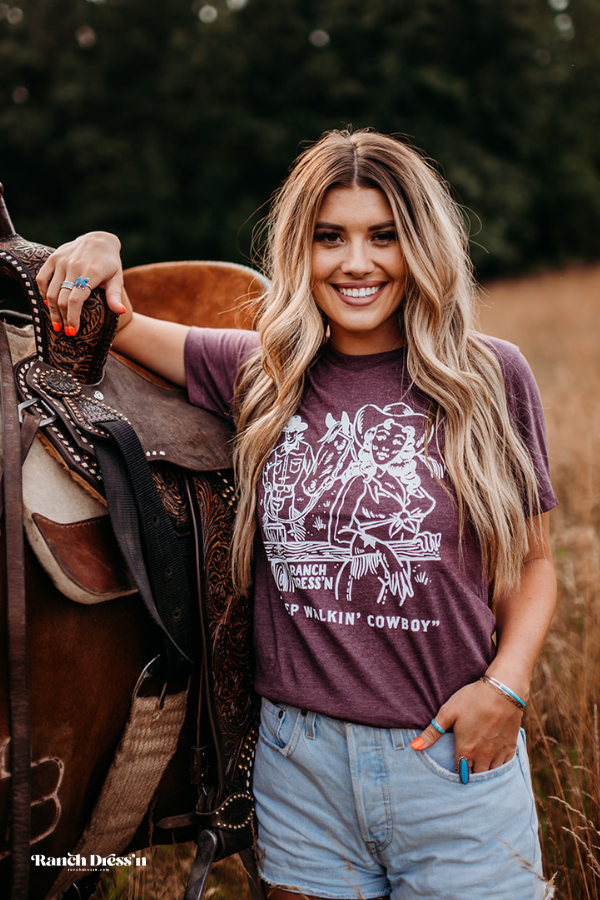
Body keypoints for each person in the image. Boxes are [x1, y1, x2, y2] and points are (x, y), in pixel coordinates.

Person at [37, 129, 557, 900]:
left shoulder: (488, 377)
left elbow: (534, 561)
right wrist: (100, 246)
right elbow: (110, 325)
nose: (356, 263)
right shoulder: (259, 371)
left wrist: (506, 690)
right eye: (329, 238)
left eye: (384, 236)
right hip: (300, 771)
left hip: (448, 760)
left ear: (423, 242)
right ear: (299, 248)